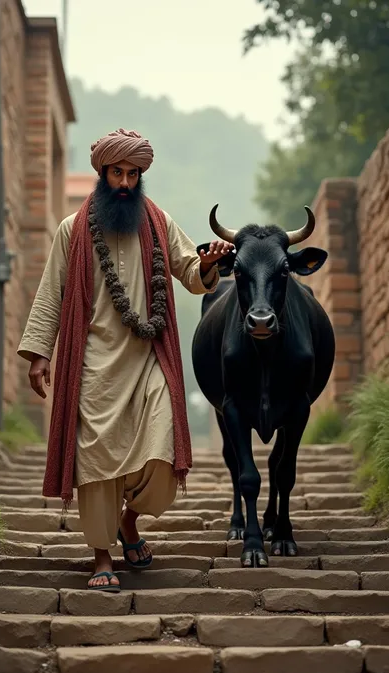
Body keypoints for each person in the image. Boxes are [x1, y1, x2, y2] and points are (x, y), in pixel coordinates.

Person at [18, 128, 232, 592]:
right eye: (117, 172)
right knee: (96, 465)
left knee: (165, 446)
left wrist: (211, 262)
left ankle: (130, 519)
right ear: (102, 173)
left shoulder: (158, 222)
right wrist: (39, 353)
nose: (125, 183)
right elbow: (50, 295)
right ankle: (101, 556)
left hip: (148, 357)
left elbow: (191, 273)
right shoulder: (72, 229)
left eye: (133, 174)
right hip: (93, 364)